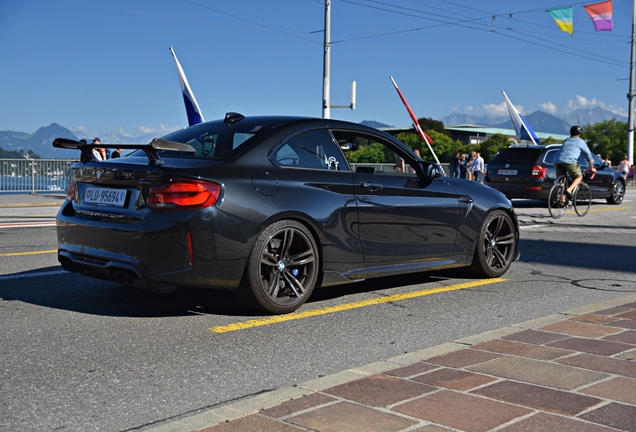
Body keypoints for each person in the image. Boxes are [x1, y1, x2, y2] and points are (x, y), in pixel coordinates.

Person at [554, 125, 596, 204]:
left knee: (563, 181)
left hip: (557, 162)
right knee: (579, 177)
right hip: (570, 162)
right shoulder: (581, 142)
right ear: (580, 135)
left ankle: (562, 200)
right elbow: (589, 156)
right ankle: (569, 190)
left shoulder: (566, 140)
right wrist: (592, 169)